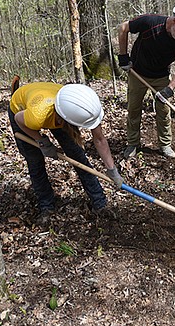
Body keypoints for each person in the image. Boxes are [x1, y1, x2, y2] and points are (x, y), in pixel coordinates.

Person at [9, 78, 123, 224]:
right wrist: (42, 141)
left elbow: (99, 139)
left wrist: (112, 169)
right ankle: (46, 205)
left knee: (77, 155)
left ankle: (99, 202)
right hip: (21, 110)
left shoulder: (85, 105)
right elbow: (19, 119)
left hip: (54, 102)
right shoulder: (37, 116)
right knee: (35, 161)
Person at [117, 0, 175, 159]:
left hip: (161, 76)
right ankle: (132, 143)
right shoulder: (150, 22)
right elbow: (123, 28)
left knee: (163, 112)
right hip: (138, 73)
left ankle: (165, 144)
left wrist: (169, 88)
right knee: (134, 109)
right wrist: (123, 56)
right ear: (174, 20)